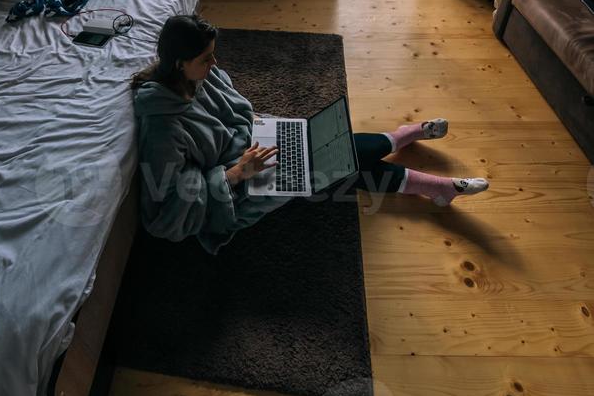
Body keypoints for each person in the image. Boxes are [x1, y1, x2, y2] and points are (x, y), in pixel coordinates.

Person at [132, 14, 489, 255]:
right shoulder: (164, 127)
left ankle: (415, 161)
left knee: (325, 153)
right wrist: (237, 173)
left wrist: (261, 127)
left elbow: (234, 108)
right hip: (235, 188)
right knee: (329, 163)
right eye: (206, 59)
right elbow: (166, 214)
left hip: (252, 145)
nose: (215, 65)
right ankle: (416, 163)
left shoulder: (195, 77)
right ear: (180, 63)